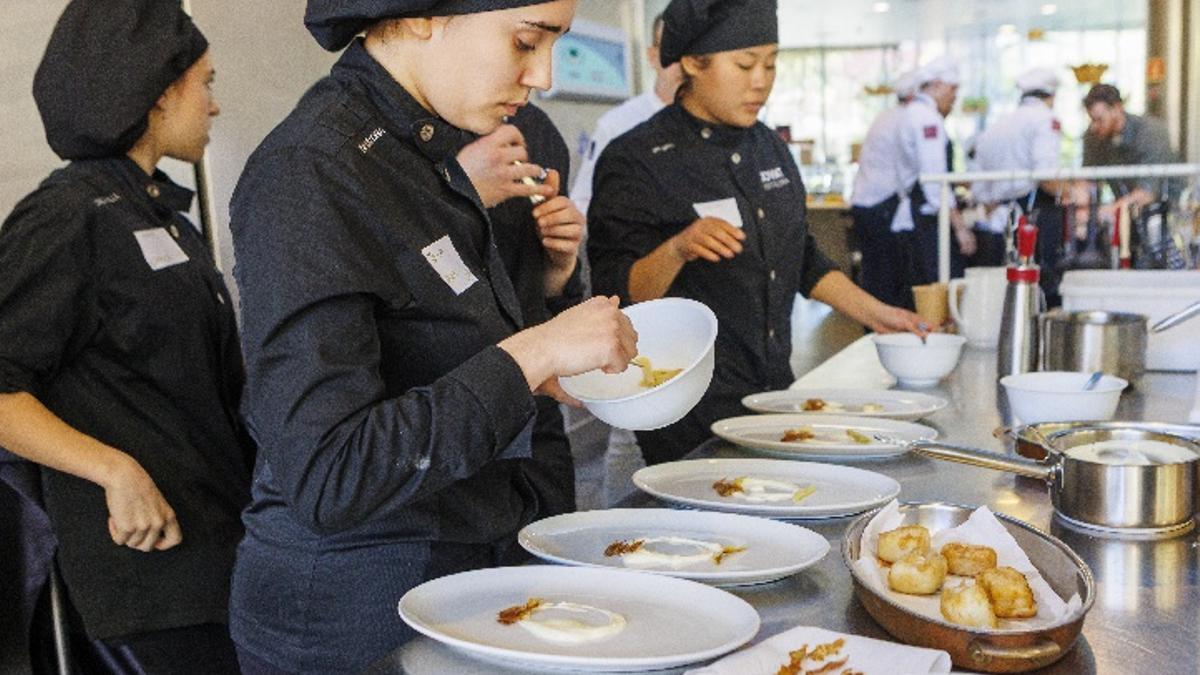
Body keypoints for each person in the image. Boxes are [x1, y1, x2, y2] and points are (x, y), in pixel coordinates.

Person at [227, 1, 637, 671]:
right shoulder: (313, 168)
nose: (544, 76)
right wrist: (530, 352)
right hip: (356, 616)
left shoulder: (420, 154)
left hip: (461, 580)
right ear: (421, 15)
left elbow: (433, 343)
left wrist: (541, 355)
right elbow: (329, 474)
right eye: (526, 42)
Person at [0, 2, 250, 672]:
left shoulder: (165, 216)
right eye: (207, 83)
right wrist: (113, 468)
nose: (215, 105)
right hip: (141, 580)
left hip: (214, 556)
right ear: (160, 93)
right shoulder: (63, 217)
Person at [586, 0, 926, 465]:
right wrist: (680, 247)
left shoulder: (770, 148)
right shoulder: (637, 158)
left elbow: (802, 259)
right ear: (691, 63)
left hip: (770, 395)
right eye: (745, 64)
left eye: (771, 63)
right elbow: (617, 298)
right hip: (686, 410)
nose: (761, 80)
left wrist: (880, 315)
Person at [459, 102, 588, 523]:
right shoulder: (380, 139)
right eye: (525, 42)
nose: (542, 75)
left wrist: (560, 262)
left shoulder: (537, 129)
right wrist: (456, 192)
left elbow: (541, 297)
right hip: (447, 437)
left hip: (536, 426)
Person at [569, 12, 684, 216]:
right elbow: (583, 202)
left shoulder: (715, 125)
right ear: (652, 56)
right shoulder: (618, 125)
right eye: (672, 51)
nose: (682, 65)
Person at [970, 67, 1067, 303]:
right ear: (1050, 96)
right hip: (1035, 217)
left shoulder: (996, 125)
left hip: (997, 222)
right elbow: (1047, 176)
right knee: (1042, 289)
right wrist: (1071, 192)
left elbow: (979, 189)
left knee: (1004, 292)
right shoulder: (1045, 119)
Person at [901, 56, 976, 286]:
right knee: (944, 288)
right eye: (952, 88)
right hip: (927, 221)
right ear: (934, 86)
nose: (955, 96)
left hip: (922, 218)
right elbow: (935, 182)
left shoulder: (916, 112)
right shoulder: (927, 119)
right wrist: (960, 229)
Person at [851, 68, 922, 309]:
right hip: (883, 206)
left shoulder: (885, 116)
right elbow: (914, 167)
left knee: (874, 273)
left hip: (865, 205)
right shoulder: (909, 119)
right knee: (889, 279)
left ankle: (873, 333)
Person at [1081, 83, 1181, 208]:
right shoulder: (1093, 137)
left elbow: (1147, 192)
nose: (1094, 126)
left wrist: (1110, 212)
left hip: (1167, 210)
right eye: (1091, 120)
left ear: (1117, 108)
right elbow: (1088, 183)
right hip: (1127, 210)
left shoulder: (1150, 132)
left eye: (1099, 119)